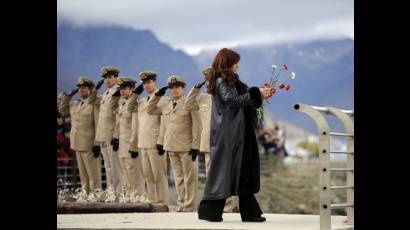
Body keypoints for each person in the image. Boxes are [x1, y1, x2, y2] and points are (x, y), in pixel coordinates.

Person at [197, 48, 271, 222]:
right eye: (235, 62)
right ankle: (210, 212)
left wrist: (259, 94)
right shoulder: (221, 81)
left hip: (238, 134)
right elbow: (231, 100)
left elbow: (244, 98)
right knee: (224, 171)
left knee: (240, 171)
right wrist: (255, 94)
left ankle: (248, 212)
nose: (238, 65)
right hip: (228, 136)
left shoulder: (232, 81)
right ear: (228, 63)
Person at [147, 75, 201, 212]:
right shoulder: (166, 105)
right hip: (170, 146)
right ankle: (181, 204)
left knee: (189, 178)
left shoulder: (189, 103)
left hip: (186, 146)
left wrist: (195, 146)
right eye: (171, 88)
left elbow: (197, 126)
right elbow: (150, 110)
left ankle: (190, 206)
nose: (174, 90)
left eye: (177, 87)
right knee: (178, 177)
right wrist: (157, 95)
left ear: (183, 88)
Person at [185, 67, 235, 212]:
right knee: (211, 176)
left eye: (211, 80)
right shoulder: (203, 98)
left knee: (225, 174)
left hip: (223, 142)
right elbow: (188, 105)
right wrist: (195, 89)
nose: (209, 83)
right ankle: (215, 205)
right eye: (207, 80)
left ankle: (228, 206)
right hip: (207, 143)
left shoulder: (225, 96)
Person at [129, 71, 169, 205]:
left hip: (155, 143)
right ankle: (153, 202)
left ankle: (163, 203)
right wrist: (136, 93)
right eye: (144, 83)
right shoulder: (141, 101)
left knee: (159, 176)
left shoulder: (162, 99)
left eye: (148, 82)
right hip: (143, 143)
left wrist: (161, 141)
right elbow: (129, 106)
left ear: (155, 82)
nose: (146, 85)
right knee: (148, 175)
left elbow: (164, 122)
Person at [58, 77, 103, 193]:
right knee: (83, 177)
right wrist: (67, 96)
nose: (81, 90)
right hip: (77, 144)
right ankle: (86, 196)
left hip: (89, 145)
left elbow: (98, 124)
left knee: (94, 176)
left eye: (84, 88)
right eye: (79, 88)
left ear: (90, 89)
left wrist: (97, 143)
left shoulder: (95, 104)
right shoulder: (76, 104)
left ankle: (96, 198)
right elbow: (62, 110)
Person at [113, 77, 145, 195]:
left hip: (132, 146)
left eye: (125, 88)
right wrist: (116, 138)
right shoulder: (122, 104)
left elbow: (136, 128)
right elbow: (119, 123)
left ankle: (138, 201)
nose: (122, 91)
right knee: (126, 175)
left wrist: (134, 146)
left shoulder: (135, 104)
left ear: (132, 89)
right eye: (120, 88)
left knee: (135, 175)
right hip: (123, 145)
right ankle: (129, 200)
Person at [94, 66, 123, 193]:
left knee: (116, 167)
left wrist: (116, 135)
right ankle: (111, 193)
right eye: (105, 78)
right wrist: (95, 89)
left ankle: (118, 194)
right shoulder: (106, 93)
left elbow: (118, 115)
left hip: (112, 135)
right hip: (103, 135)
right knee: (108, 167)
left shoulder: (118, 92)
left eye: (110, 77)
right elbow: (91, 101)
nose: (107, 80)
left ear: (116, 78)